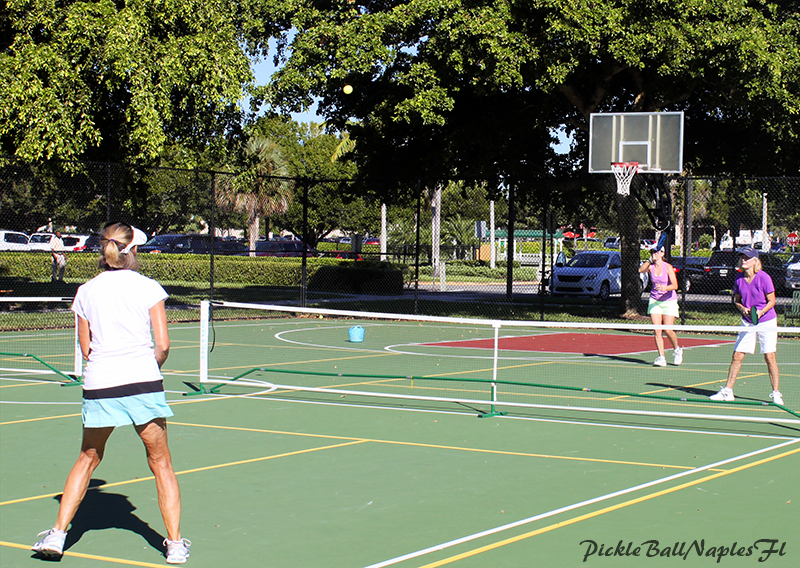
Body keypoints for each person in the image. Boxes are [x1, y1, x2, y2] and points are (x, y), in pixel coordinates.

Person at [32, 223, 190, 564]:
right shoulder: (148, 287)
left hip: (100, 384)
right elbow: (162, 345)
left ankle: (57, 535)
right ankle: (175, 545)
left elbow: (87, 349)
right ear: (131, 251)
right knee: (161, 463)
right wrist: (146, 369)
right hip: (142, 383)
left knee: (88, 457)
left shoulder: (86, 290)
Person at [710, 247, 782, 405]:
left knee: (769, 356)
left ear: (755, 261)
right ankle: (728, 391)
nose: (744, 260)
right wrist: (742, 308)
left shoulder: (764, 278)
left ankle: (776, 393)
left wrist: (761, 312)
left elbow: (772, 301)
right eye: (742, 257)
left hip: (767, 320)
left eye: (747, 257)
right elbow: (736, 300)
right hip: (747, 320)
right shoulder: (739, 279)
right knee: (737, 356)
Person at [639, 246, 683, 366]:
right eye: (652, 252)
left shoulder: (667, 267)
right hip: (654, 301)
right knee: (657, 330)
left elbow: (675, 285)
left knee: (668, 330)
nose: (653, 254)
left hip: (669, 300)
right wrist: (649, 259)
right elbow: (640, 270)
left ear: (662, 253)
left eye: (655, 252)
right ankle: (661, 357)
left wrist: (665, 288)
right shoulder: (651, 267)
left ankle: (677, 350)